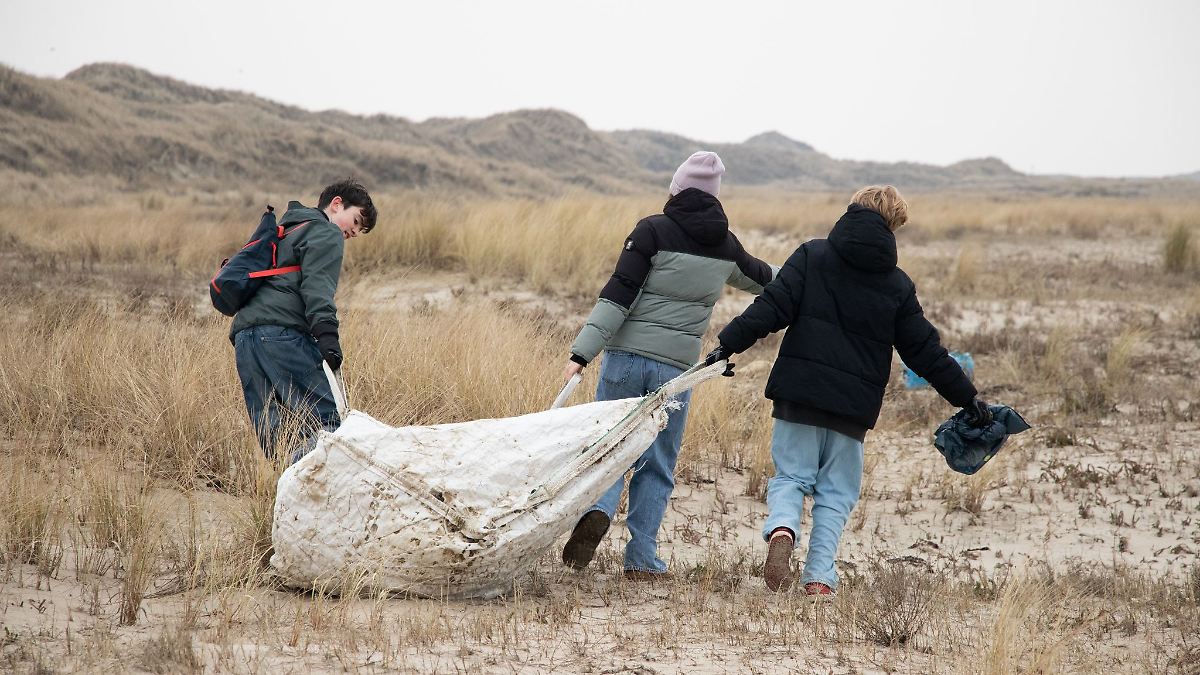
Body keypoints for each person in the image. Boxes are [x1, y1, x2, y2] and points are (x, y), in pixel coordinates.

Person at [705, 185, 990, 596]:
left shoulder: (812, 255)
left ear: (852, 210)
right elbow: (924, 352)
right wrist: (966, 397)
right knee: (836, 493)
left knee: (791, 477)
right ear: (894, 225)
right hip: (852, 408)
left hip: (798, 394)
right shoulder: (897, 284)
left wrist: (725, 346)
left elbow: (769, 310)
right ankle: (819, 577)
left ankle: (783, 529)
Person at [561, 151, 778, 580]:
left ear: (675, 189)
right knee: (657, 463)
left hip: (624, 361)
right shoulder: (726, 246)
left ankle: (600, 510)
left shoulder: (651, 231)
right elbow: (770, 281)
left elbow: (619, 294)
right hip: (675, 373)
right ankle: (642, 559)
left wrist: (580, 354)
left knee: (611, 450)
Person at [230, 179, 377, 461]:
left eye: (359, 230)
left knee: (278, 439)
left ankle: (287, 497)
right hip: (282, 337)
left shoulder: (288, 228)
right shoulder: (326, 232)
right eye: (356, 220)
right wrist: (327, 337)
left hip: (245, 339)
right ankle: (317, 496)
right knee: (330, 430)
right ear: (336, 204)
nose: (354, 232)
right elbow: (318, 287)